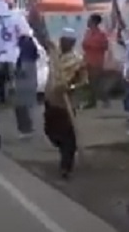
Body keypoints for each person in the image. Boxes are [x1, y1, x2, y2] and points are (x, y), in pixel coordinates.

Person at [42, 28, 87, 180]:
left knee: (68, 137)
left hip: (65, 103)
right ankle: (64, 150)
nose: (63, 43)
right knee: (50, 131)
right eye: (62, 40)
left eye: (66, 41)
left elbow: (83, 81)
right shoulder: (55, 55)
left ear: (72, 43)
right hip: (50, 100)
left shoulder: (77, 60)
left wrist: (70, 87)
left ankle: (66, 166)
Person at [81, 13, 110, 109]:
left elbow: (105, 46)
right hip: (88, 59)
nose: (87, 22)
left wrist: (93, 45)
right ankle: (92, 101)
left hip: (97, 61)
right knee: (91, 82)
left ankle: (105, 100)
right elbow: (84, 44)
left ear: (94, 22)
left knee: (96, 82)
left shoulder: (101, 34)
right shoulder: (88, 33)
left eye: (89, 20)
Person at [14, 34, 39, 138]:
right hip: (30, 84)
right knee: (26, 108)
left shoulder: (24, 59)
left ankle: (25, 129)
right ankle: (27, 128)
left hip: (22, 85)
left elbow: (22, 72)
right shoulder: (32, 58)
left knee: (21, 108)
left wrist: (14, 72)